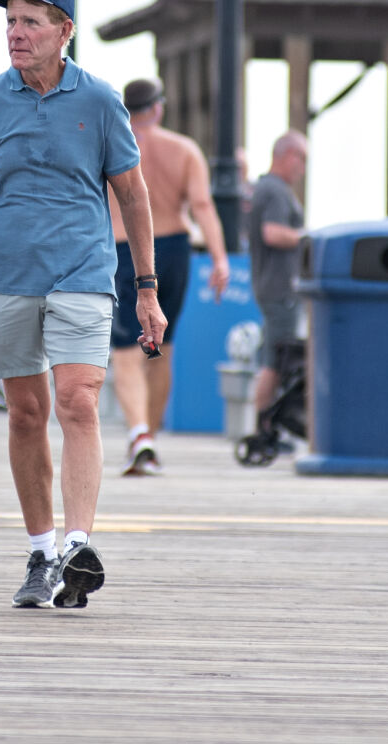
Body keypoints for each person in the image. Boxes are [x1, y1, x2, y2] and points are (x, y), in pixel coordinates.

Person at [0, 0, 165, 610]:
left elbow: (133, 196)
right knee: (26, 413)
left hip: (83, 273)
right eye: (10, 21)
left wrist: (146, 291)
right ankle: (41, 551)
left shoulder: (99, 101)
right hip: (8, 275)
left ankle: (76, 544)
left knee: (77, 400)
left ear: (64, 31)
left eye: (30, 22)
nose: (16, 33)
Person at [106, 77, 231, 477]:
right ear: (158, 108)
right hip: (174, 248)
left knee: (126, 353)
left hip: (123, 247)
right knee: (162, 347)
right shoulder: (184, 150)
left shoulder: (112, 146)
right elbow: (203, 206)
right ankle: (150, 441)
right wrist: (220, 259)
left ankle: (140, 434)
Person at [248, 131, 309, 418]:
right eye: (302, 158)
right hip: (279, 288)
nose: (303, 168)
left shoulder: (267, 188)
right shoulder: (275, 190)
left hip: (271, 286)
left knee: (273, 355)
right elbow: (272, 233)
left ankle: (267, 424)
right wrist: (308, 238)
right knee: (275, 359)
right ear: (286, 155)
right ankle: (263, 427)